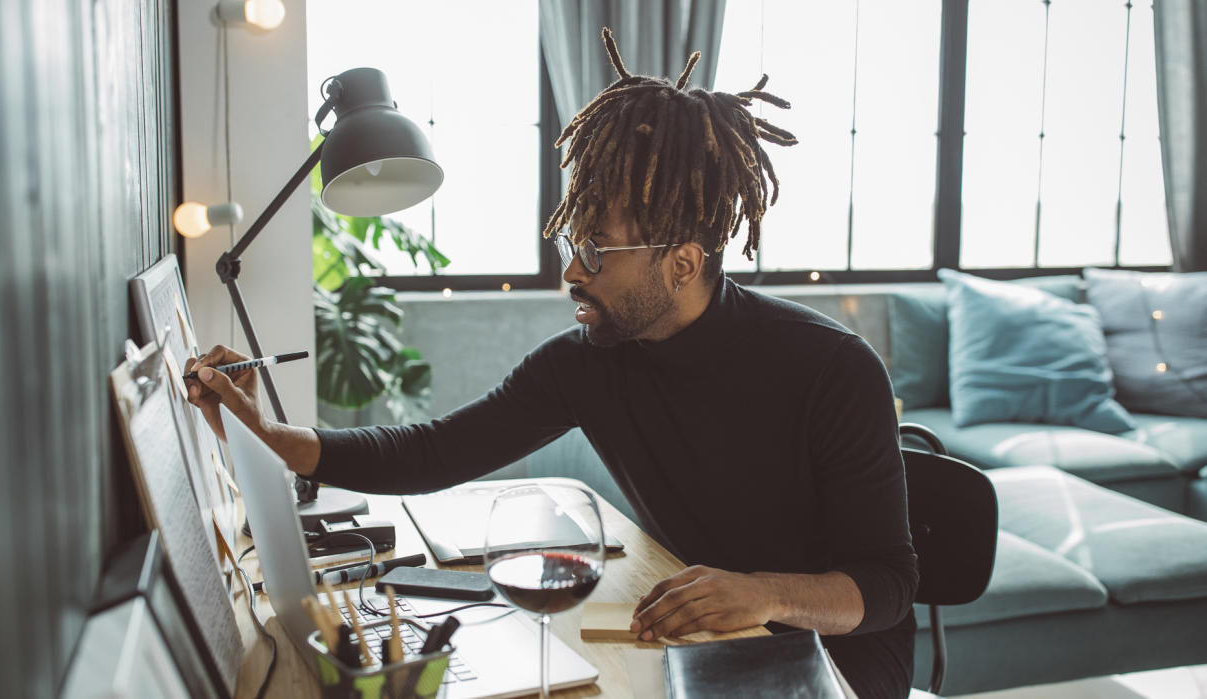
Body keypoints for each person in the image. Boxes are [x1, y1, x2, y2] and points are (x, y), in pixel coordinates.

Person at [188, 28, 917, 699]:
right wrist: (274, 440)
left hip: (832, 661)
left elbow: (886, 586)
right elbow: (438, 449)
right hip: (698, 633)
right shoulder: (588, 363)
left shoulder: (831, 369)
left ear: (683, 262)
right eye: (573, 241)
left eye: (596, 249)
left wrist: (765, 592)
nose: (571, 270)